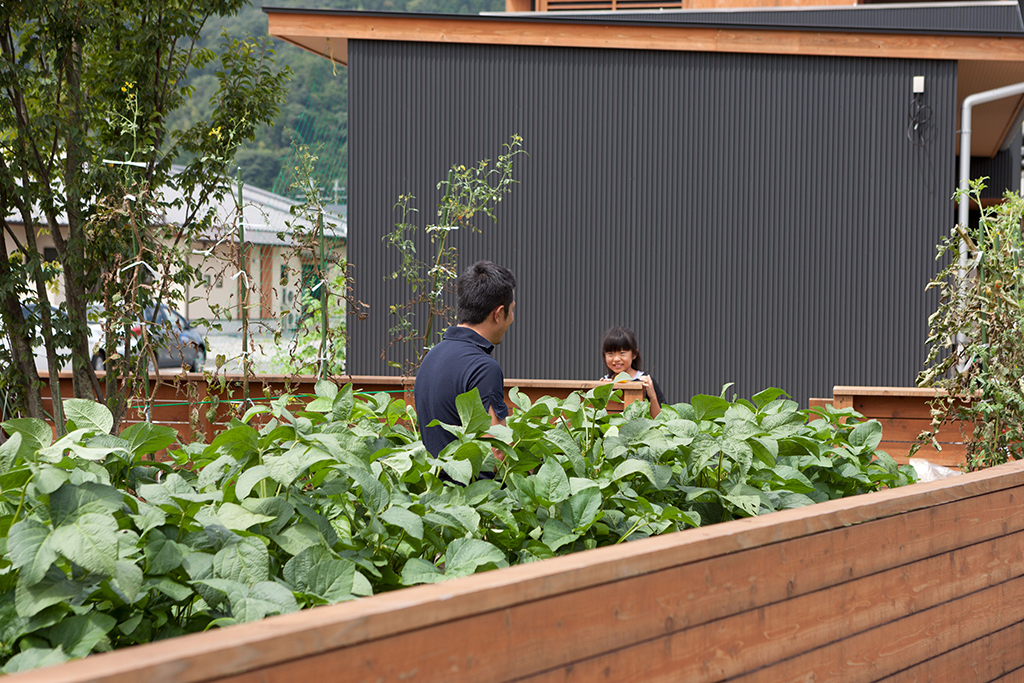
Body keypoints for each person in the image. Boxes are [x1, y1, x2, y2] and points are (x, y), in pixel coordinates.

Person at [415, 260, 516, 459]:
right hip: (471, 489)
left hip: (433, 486)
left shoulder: (431, 358)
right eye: (511, 310)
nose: (512, 318)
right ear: (498, 313)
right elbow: (496, 452)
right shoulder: (483, 368)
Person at [600, 326, 667, 418]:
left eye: (622, 353)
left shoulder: (646, 381)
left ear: (634, 354)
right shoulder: (605, 381)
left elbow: (662, 420)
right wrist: (601, 390)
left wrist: (652, 396)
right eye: (610, 354)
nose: (616, 359)